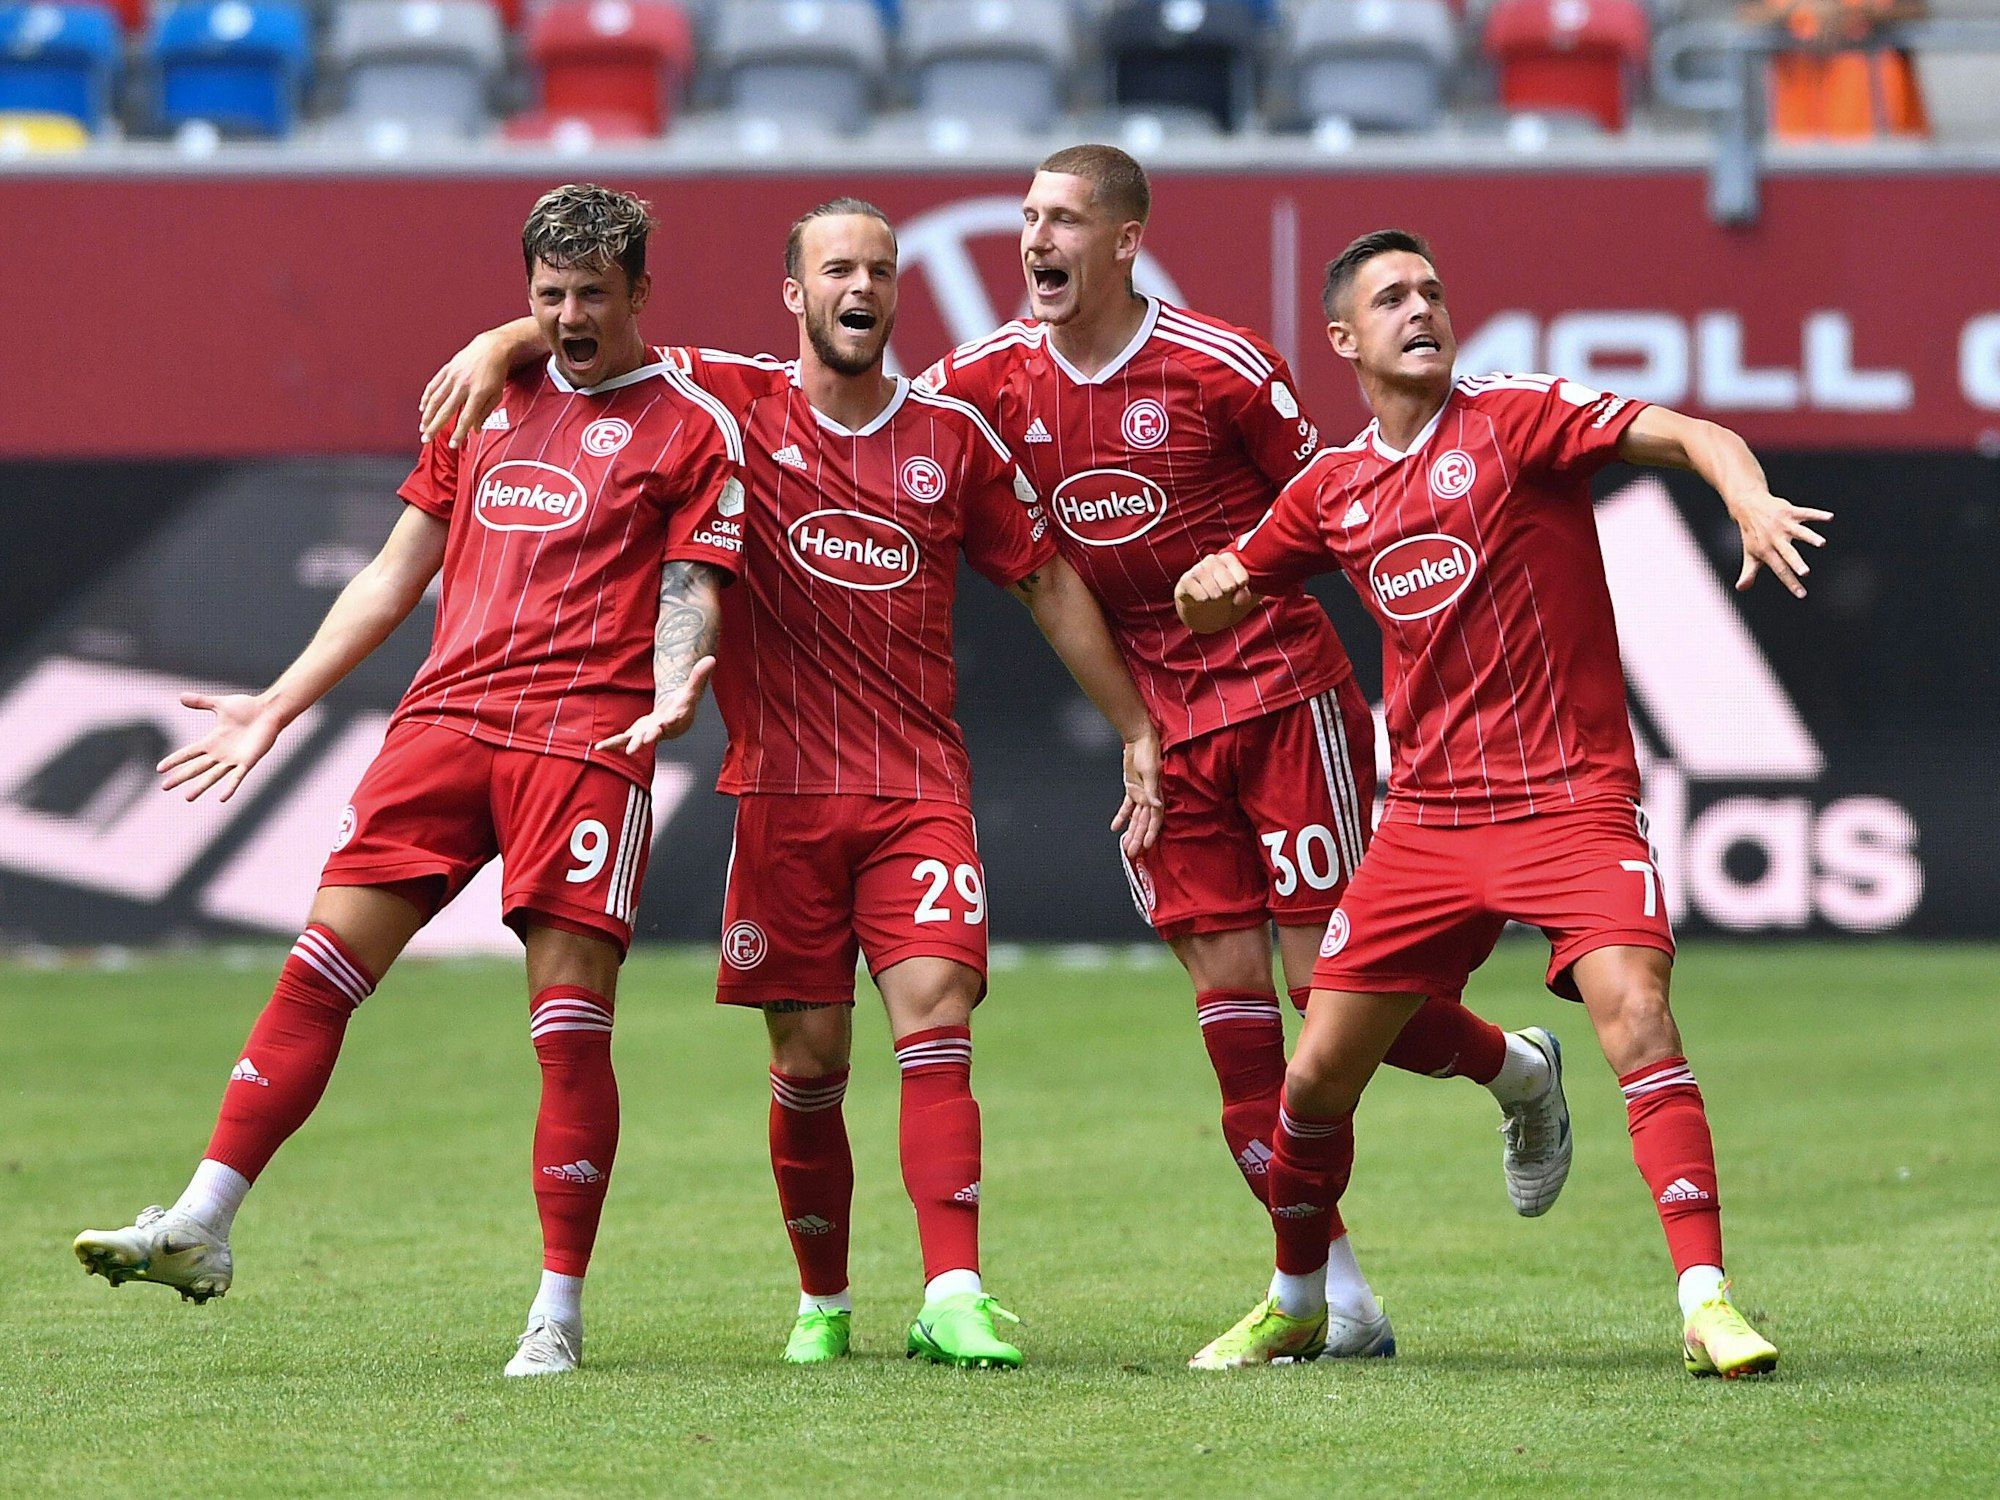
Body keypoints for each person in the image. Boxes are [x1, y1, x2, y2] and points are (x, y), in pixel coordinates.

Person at [418, 199, 1164, 1370]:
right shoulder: (730, 406)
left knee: (935, 1021)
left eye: (877, 268)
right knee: (808, 1064)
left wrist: (1131, 725)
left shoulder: (954, 438)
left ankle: (955, 1290)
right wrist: (492, 344)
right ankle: (823, 1300)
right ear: (795, 294)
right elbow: (590, 332)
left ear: (893, 290)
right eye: (836, 269)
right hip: (778, 796)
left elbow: (1047, 582)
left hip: (917, 788)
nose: (858, 286)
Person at [73, 184, 748, 1379]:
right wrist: (278, 704)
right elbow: (394, 572)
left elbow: (694, 587)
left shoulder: (692, 424)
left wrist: (678, 679)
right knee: (319, 968)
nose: (572, 317)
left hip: (584, 740)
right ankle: (202, 1222)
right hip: (442, 721)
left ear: (642, 294)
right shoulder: (485, 396)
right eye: (548, 297)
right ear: (524, 295)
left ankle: (556, 1312)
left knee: (566, 1028)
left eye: (596, 294)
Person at [914, 146, 1573, 1355]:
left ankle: (1515, 1072)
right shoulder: (978, 383)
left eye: (1061, 218)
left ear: (1121, 241)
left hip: (1280, 699)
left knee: (1335, 1003)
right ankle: (1337, 1298)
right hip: (1159, 734)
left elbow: (1341, 510)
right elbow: (860, 416)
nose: (1033, 238)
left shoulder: (1216, 367)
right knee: (1233, 1033)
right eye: (1024, 218)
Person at [1174, 229, 1821, 1376]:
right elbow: (1232, 584)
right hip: (1425, 824)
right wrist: (1207, 586)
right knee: (1317, 1073)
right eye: (1390, 297)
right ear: (1343, 339)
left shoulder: (1515, 418)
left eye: (1430, 290)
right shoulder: (1332, 488)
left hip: (1567, 800)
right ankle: (1294, 1300)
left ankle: (1706, 1301)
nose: (1420, 308)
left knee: (1634, 1012)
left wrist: (1747, 497)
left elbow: (1692, 432)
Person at [1755, 0, 1930, 141]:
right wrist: (1800, 9)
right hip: (1798, 133)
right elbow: (1745, 15)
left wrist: (1860, 13)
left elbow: (1917, 10)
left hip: (1884, 130)